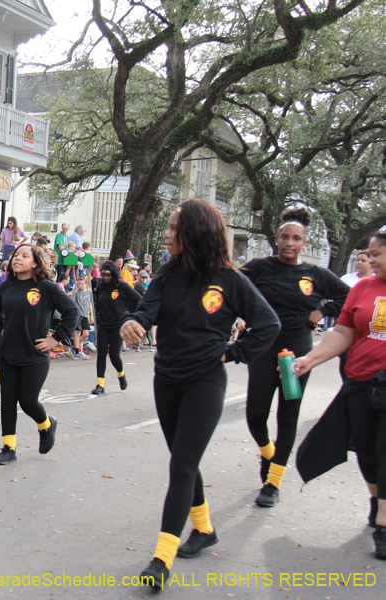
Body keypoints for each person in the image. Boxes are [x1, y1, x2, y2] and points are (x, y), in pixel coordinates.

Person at [120, 199, 280, 589]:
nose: (167, 234)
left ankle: (161, 559)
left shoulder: (230, 280)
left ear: (195, 232)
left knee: (182, 465)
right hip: (166, 379)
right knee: (184, 459)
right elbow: (146, 311)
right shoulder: (166, 274)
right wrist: (131, 321)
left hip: (205, 382)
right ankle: (205, 529)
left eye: (175, 228)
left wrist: (231, 352)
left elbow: (268, 324)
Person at [241, 207, 350, 507]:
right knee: (255, 416)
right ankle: (269, 453)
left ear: (304, 243)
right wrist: (241, 316)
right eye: (284, 237)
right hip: (263, 348)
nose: (289, 242)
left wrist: (321, 312)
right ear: (276, 239)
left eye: (296, 238)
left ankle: (273, 483)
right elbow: (230, 286)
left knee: (287, 416)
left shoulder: (316, 274)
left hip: (296, 352)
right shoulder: (259, 267)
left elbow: (347, 297)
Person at [293, 229, 386, 558]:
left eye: (376, 254)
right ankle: (377, 500)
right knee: (368, 451)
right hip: (360, 382)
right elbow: (344, 331)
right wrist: (311, 358)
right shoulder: (362, 288)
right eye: (369, 254)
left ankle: (384, 524)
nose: (370, 260)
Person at [0, 243, 77, 465]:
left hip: (35, 356)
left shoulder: (47, 288)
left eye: (24, 256)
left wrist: (56, 338)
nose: (17, 259)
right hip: (8, 353)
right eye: (15, 255)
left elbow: (72, 312)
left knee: (28, 401)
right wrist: (1, 327)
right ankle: (9, 448)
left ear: (36, 262)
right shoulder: (6, 286)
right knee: (8, 401)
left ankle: (46, 425)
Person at [91, 261, 141, 394]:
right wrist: (98, 315)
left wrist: (130, 316)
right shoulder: (100, 287)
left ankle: (121, 374)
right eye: (103, 275)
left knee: (114, 355)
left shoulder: (122, 287)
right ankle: (100, 385)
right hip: (103, 325)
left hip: (117, 326)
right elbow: (97, 303)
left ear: (114, 274)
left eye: (108, 275)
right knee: (101, 354)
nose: (105, 278)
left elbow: (139, 300)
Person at [71, 275, 94, 359]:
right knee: (77, 333)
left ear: (86, 284)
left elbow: (90, 303)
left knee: (86, 334)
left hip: (85, 315)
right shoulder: (76, 292)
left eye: (82, 284)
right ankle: (77, 351)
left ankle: (75, 347)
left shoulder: (89, 292)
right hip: (78, 315)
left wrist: (91, 315)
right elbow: (72, 303)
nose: (80, 285)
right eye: (79, 284)